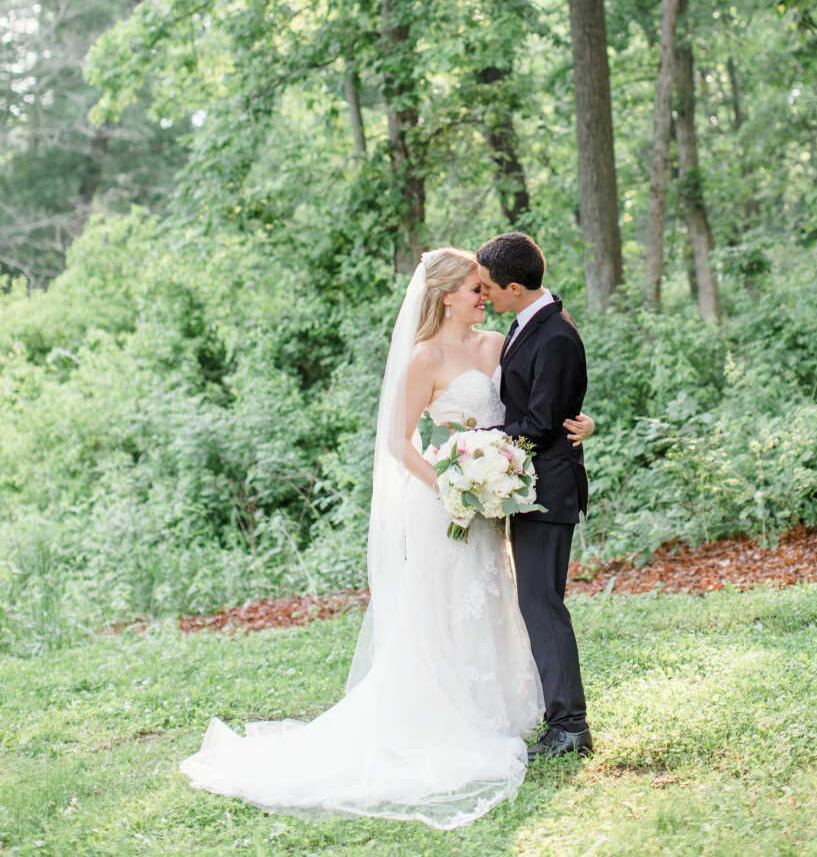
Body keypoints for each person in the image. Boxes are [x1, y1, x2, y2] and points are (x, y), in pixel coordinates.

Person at [181, 247, 593, 829]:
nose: (483, 296)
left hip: (497, 494)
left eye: (486, 288)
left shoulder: (502, 343)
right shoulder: (423, 358)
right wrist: (450, 488)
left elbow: (541, 404)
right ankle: (448, 715)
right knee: (447, 606)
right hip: (449, 498)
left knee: (500, 599)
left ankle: (503, 712)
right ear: (446, 295)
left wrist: (582, 425)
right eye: (474, 289)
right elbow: (399, 443)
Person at [476, 231, 593, 760]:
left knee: (542, 605)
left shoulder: (556, 337)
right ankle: (560, 719)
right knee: (536, 603)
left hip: (549, 491)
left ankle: (570, 726)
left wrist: (475, 447)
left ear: (516, 286)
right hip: (528, 487)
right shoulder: (528, 325)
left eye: (489, 289)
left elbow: (544, 423)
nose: (485, 297)